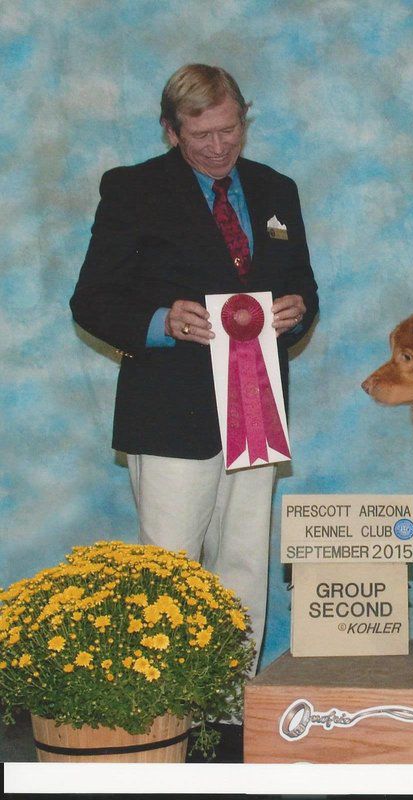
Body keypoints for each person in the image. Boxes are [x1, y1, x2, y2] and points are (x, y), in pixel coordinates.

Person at [70, 64, 318, 675]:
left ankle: (234, 711)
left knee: (242, 567)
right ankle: (167, 712)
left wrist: (297, 309)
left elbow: (301, 284)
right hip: (170, 413)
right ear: (170, 131)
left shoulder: (276, 189)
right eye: (201, 134)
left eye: (230, 129)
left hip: (256, 413)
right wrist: (161, 321)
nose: (219, 146)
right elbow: (92, 300)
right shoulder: (133, 188)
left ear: (243, 119)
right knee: (170, 572)